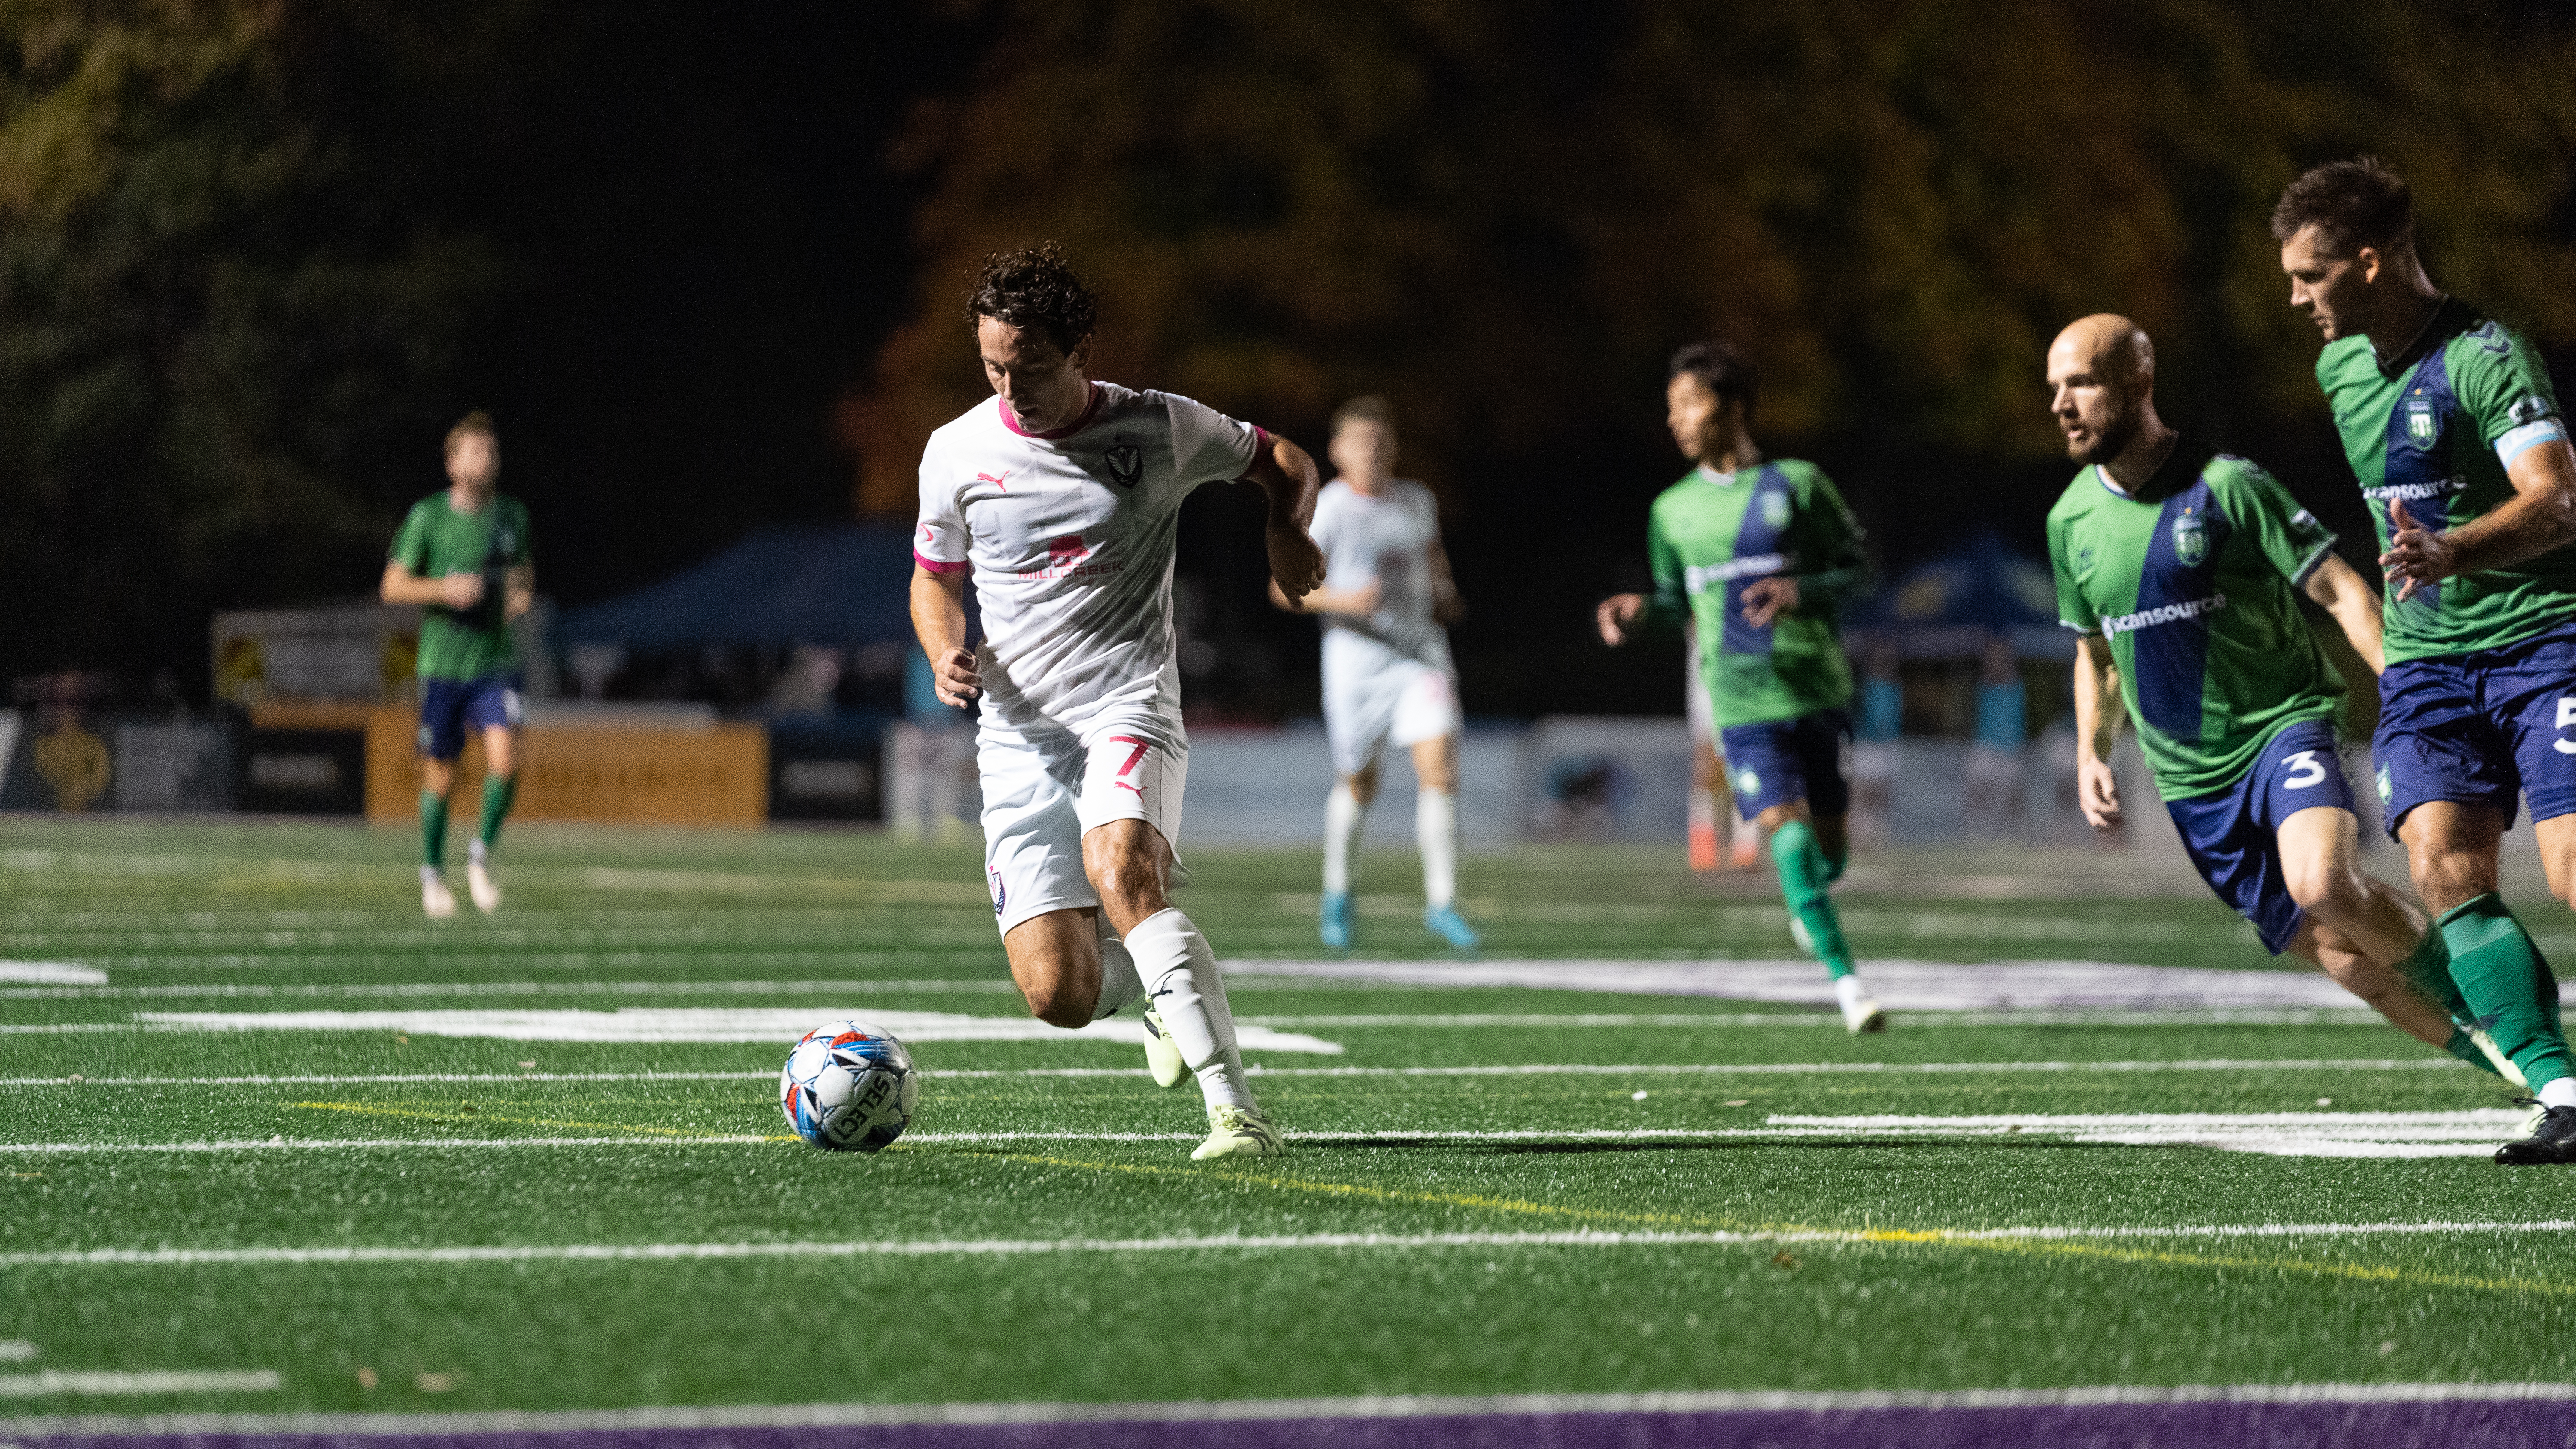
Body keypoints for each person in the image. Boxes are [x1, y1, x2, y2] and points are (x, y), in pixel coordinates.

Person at [910, 244, 1324, 1161]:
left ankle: (1238, 1112)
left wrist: (1285, 532)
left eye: (1030, 369)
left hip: (1125, 703)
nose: (1009, 389)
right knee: (1057, 994)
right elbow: (932, 578)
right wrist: (944, 649)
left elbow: (1282, 459)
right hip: (1018, 737)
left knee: (1124, 872)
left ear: (1080, 348)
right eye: (992, 368)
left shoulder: (1160, 428)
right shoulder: (955, 451)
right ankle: (1159, 994)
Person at [2044, 313, 2518, 1082]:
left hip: (2285, 727)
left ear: (2138, 381)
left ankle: (2519, 1027)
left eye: (2082, 383)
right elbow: (2093, 654)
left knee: (2324, 883)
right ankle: (2520, 1073)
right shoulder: (2069, 521)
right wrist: (2091, 749)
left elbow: (2341, 592)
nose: (2062, 404)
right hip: (2192, 781)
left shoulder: (2227, 484)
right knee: (2343, 957)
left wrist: (2410, 688)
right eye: (2055, 388)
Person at [2275, 158, 2576, 1163]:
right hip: (2429, 663)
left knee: (2574, 870)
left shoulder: (2488, 357)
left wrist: (2453, 549)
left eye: (2310, 276)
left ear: (2369, 263)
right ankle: (2563, 1091)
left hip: (2545, 642)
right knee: (2444, 869)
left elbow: (2558, 500)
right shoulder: (2338, 369)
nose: (2294, 298)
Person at [1596, 341, 1885, 1033]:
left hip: (1816, 689)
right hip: (1740, 698)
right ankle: (1850, 984)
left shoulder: (1801, 485)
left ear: (1732, 409)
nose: (1676, 421)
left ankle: (1806, 896)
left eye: (1688, 405)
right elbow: (1677, 602)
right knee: (1784, 834)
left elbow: (1858, 573)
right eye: (1671, 409)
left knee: (1829, 851)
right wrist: (1641, 612)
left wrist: (1802, 589)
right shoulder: (1673, 511)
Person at [1267, 396, 1477, 950]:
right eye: (1360, 442)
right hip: (1356, 664)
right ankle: (1338, 893)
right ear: (1336, 451)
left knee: (1441, 767)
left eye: (1381, 443)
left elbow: (1433, 560)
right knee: (1360, 782)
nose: (1372, 453)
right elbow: (1282, 589)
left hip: (1419, 654)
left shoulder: (1416, 500)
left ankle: (1443, 901)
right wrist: (1343, 599)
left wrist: (1445, 594)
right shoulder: (1329, 508)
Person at [380, 411, 532, 919]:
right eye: (474, 452)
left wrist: (518, 596)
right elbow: (393, 586)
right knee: (441, 779)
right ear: (452, 463)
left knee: (505, 760)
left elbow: (521, 573)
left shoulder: (512, 516)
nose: (485, 461)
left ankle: (479, 857)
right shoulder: (428, 517)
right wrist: (444, 590)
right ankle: (431, 874)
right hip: (444, 665)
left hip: (493, 662)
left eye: (491, 453)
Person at [1683, 625, 1760, 871]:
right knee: (1707, 773)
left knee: (1745, 771)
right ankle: (1704, 852)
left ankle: (1746, 851)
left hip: (1741, 693)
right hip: (1710, 693)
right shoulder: (1703, 608)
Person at [888, 647, 975, 844]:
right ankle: (908, 824)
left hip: (949, 723)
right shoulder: (913, 656)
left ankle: (948, 822)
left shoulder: (956, 654)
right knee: (910, 777)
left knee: (948, 776)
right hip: (915, 724)